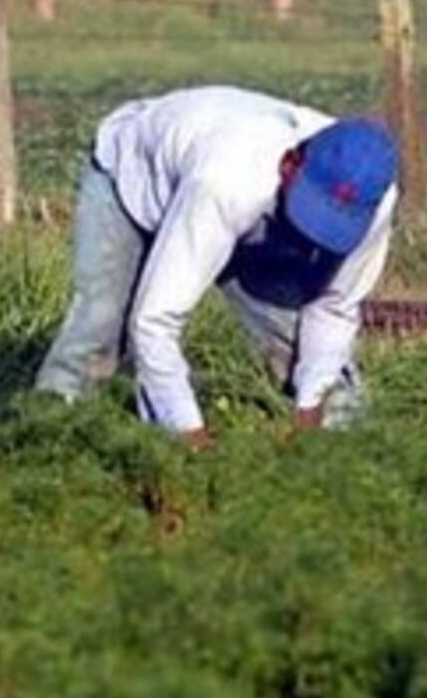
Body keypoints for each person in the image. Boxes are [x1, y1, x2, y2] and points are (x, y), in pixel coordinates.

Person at [35, 85, 400, 448]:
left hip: (251, 218)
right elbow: (155, 322)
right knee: (98, 329)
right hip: (130, 183)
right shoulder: (228, 180)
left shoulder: (373, 204)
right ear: (289, 165)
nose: (316, 231)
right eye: (311, 210)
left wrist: (310, 414)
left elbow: (334, 306)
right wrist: (190, 437)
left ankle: (342, 461)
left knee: (305, 356)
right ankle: (44, 445)